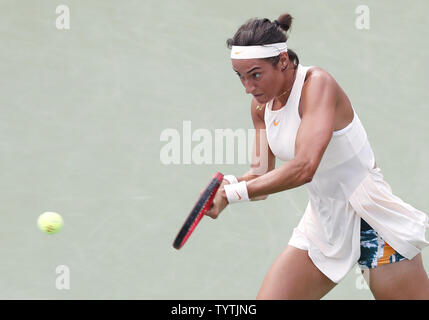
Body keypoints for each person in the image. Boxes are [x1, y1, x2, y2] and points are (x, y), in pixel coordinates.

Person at [205, 13, 429, 300]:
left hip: (372, 220)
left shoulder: (317, 84)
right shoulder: (260, 107)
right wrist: (227, 186)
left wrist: (235, 193)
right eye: (241, 77)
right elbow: (260, 177)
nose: (248, 87)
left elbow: (304, 167)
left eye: (255, 74)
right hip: (324, 224)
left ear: (283, 60)